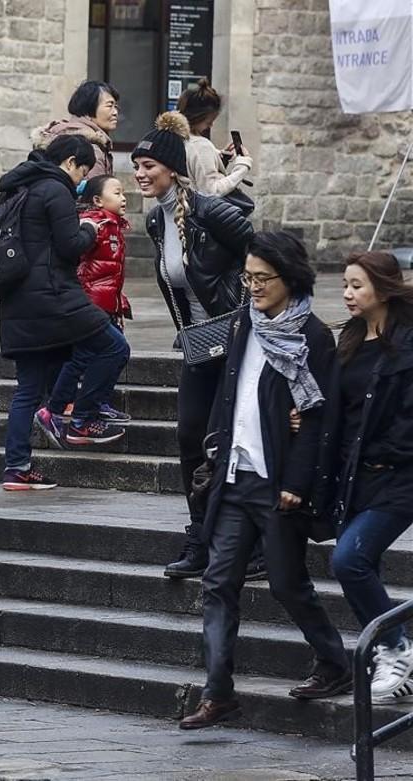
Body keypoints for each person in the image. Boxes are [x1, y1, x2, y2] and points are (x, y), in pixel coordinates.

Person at [179, 232, 350, 730]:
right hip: (235, 477)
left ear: (289, 278)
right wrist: (215, 450)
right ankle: (218, 694)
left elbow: (318, 418)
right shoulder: (242, 325)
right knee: (217, 582)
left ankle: (335, 661)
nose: (252, 286)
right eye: (247, 277)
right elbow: (229, 393)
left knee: (286, 583)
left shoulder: (312, 336)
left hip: (278, 483)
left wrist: (297, 481)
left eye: (262, 278)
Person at [131, 111, 256, 580]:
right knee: (189, 436)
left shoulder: (210, 211)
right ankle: (201, 537)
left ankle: (254, 543)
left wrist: (247, 312)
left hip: (238, 342)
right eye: (136, 166)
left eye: (148, 166)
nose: (140, 174)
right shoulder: (156, 221)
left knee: (233, 440)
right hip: (200, 345)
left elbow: (263, 258)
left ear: (171, 169)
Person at [0, 136, 131, 491]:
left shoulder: (20, 186)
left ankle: (17, 468)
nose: (81, 180)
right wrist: (88, 228)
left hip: (18, 301)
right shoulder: (55, 189)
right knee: (114, 346)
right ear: (70, 162)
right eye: (83, 172)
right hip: (54, 298)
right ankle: (83, 419)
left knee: (28, 389)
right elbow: (70, 247)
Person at [330, 251, 413, 700]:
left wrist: (388, 452)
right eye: (345, 284)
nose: (347, 293)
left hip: (398, 478)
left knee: (349, 560)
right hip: (353, 477)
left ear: (382, 288)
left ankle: (397, 648)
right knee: (363, 566)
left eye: (357, 285)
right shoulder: (349, 338)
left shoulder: (407, 342)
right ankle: (392, 658)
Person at [41, 174, 133, 425]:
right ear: (97, 200)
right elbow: (77, 260)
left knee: (113, 353)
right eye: (117, 193)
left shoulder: (113, 225)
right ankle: (57, 407)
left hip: (107, 304)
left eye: (123, 193)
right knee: (84, 356)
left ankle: (97, 403)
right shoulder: (94, 226)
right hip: (90, 306)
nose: (123, 198)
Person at [176, 79, 253, 198]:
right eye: (209, 121)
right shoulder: (200, 145)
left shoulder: (176, 138)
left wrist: (218, 159)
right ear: (197, 117)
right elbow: (212, 191)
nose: (211, 125)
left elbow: (195, 176)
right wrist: (243, 165)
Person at [32, 80, 119, 180]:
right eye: (109, 106)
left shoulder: (62, 135)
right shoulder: (89, 148)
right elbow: (93, 188)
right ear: (89, 107)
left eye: (116, 107)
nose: (115, 112)